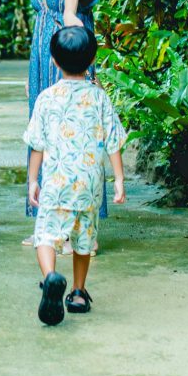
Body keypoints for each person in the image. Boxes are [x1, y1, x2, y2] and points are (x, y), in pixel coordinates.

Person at [11, 0, 110, 239]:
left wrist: (71, 11)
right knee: (43, 138)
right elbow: (40, 21)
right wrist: (30, 71)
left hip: (72, 64)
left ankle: (80, 227)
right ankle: (47, 221)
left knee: (74, 141)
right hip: (41, 66)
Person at [24, 26, 126, 325]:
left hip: (56, 181)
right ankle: (79, 292)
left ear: (54, 61)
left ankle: (50, 277)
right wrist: (118, 180)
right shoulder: (99, 98)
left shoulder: (46, 97)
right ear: (92, 58)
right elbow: (113, 141)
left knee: (45, 234)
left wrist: (33, 181)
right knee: (84, 239)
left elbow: (37, 145)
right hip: (89, 184)